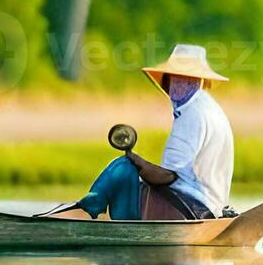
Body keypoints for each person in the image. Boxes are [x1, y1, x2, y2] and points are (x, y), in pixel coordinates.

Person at [74, 44, 234, 221]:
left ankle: (87, 213)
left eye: (186, 79)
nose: (178, 84)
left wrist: (137, 162)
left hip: (192, 207)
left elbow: (167, 177)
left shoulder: (191, 115)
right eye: (175, 78)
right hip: (210, 205)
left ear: (198, 81)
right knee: (132, 174)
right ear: (168, 80)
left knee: (122, 167)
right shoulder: (208, 107)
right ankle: (93, 210)